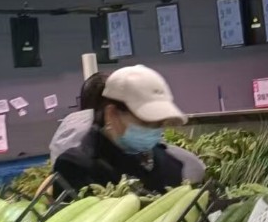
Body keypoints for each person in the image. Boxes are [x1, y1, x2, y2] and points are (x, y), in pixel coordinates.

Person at [50, 65, 204, 192]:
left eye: (158, 124)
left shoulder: (169, 163)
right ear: (112, 114)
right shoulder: (77, 166)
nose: (152, 131)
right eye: (145, 122)